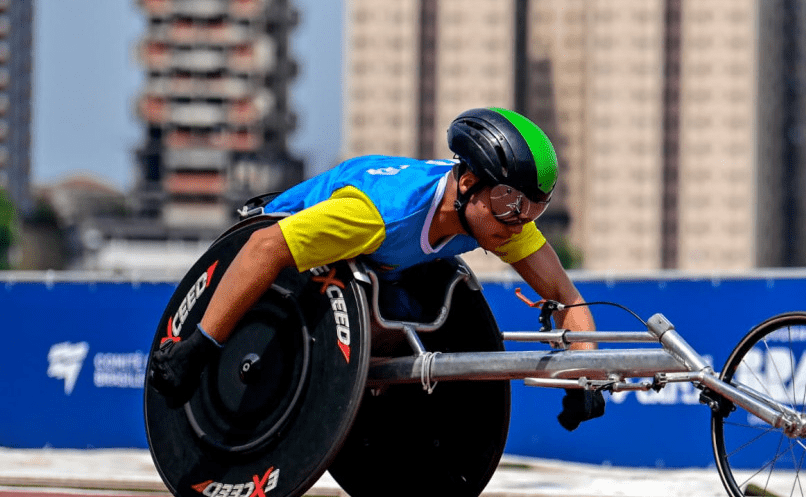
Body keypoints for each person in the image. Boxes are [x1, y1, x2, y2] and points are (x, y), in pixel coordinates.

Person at [147, 107, 605, 430]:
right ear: (467, 183)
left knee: (418, 306)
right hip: (286, 255)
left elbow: (569, 299)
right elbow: (263, 248)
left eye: (534, 208)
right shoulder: (377, 216)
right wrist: (200, 347)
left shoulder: (500, 219)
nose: (520, 221)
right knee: (383, 307)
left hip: (380, 265)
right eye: (510, 202)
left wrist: (587, 374)